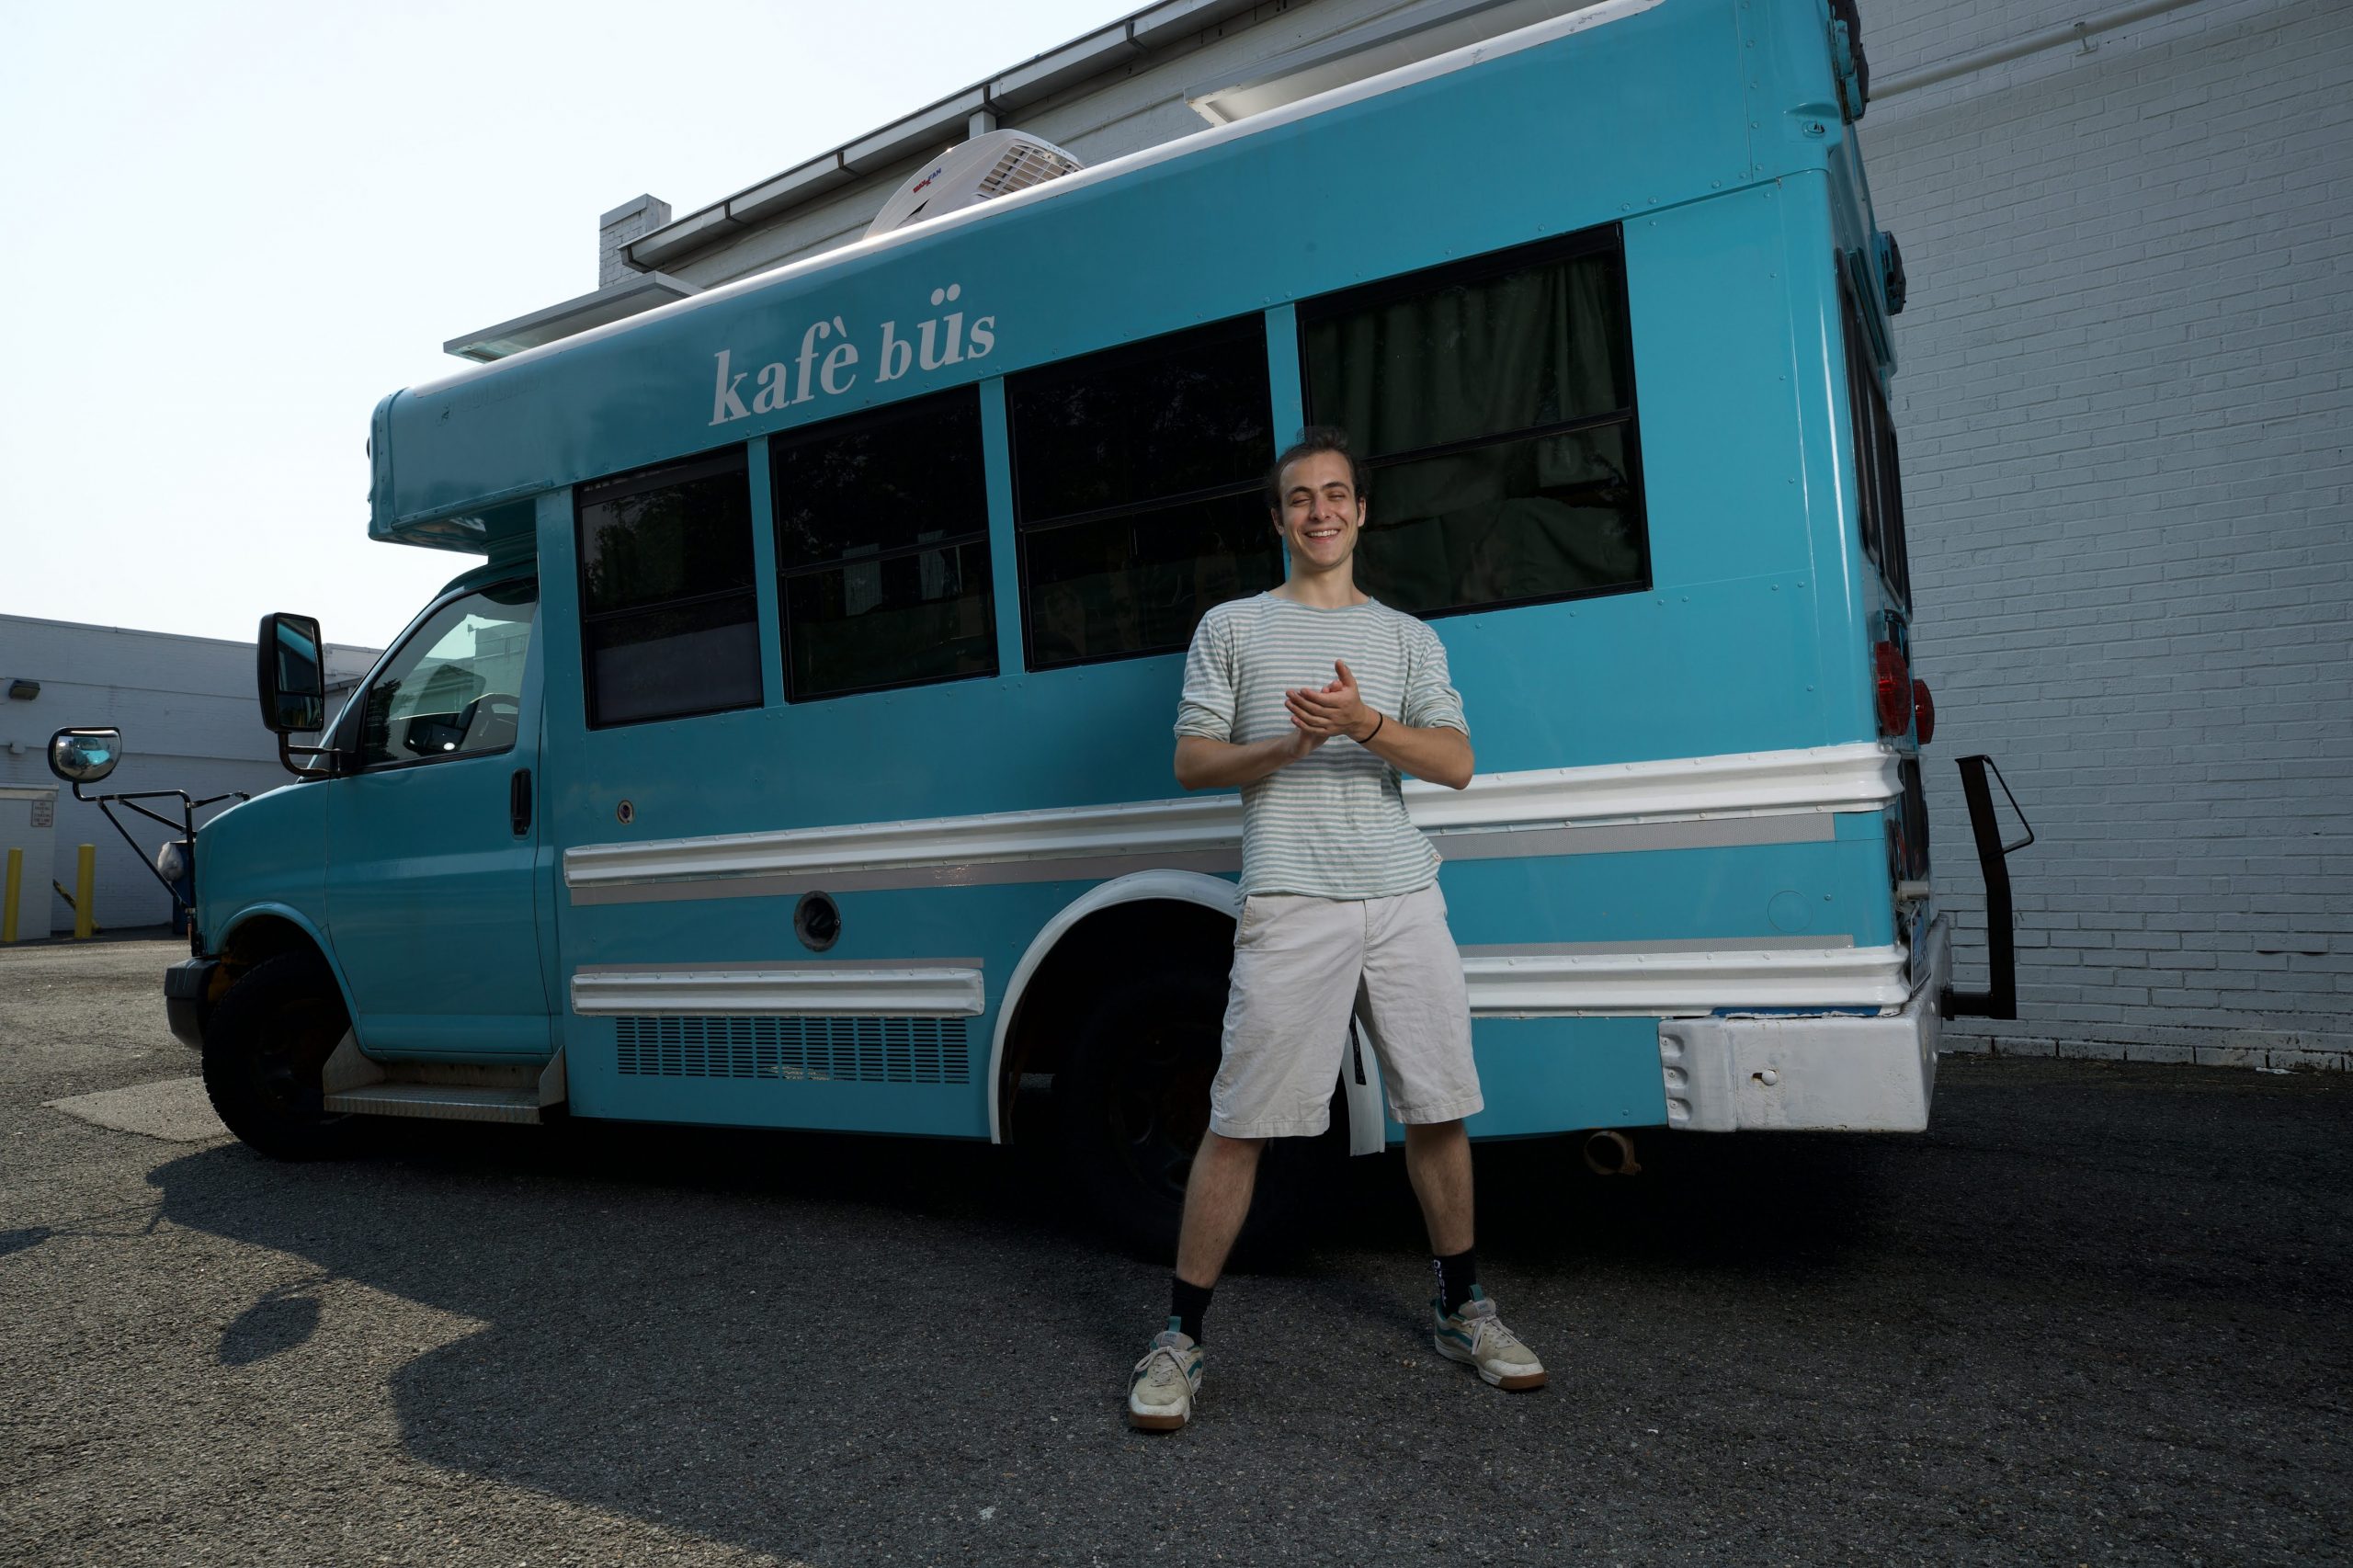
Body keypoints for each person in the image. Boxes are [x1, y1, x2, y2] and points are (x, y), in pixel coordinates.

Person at [1126, 426, 1546, 1432]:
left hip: (1403, 898)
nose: (1319, 511)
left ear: (1361, 510)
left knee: (1437, 1105)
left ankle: (1462, 1307)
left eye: (1336, 494)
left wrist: (1364, 725)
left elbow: (1454, 761)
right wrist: (1287, 741)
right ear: (1278, 520)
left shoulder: (1407, 639)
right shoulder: (1230, 627)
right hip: (1292, 899)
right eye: (1299, 498)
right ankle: (1179, 1338)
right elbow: (1190, 761)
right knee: (1241, 1119)